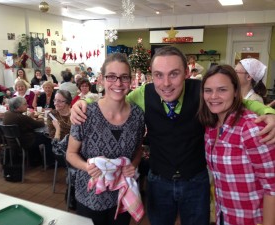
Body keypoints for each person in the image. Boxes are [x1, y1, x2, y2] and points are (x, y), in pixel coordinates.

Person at [71, 46, 275, 225]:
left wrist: (269, 112)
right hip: (159, 181)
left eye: (174, 74)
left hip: (196, 181)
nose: (166, 83)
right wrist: (83, 104)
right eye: (159, 75)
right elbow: (115, 98)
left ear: (187, 72)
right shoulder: (144, 93)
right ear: (151, 74)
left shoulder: (202, 91)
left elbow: (240, 101)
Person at [66, 53, 145, 225]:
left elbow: (138, 150)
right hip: (90, 197)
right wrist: (86, 166)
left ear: (131, 81)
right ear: (101, 79)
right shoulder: (85, 113)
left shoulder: (138, 115)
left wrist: (133, 165)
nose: (118, 83)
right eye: (111, 77)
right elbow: (71, 153)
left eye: (124, 77)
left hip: (121, 196)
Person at [198, 64, 275, 225]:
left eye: (222, 90)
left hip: (251, 219)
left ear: (235, 92)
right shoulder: (211, 127)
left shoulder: (251, 128)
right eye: (208, 90)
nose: (213, 96)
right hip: (224, 216)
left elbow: (272, 187)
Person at [3, 97, 50, 166]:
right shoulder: (21, 117)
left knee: (38, 134)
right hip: (25, 141)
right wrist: (41, 118)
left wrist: (30, 118)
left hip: (13, 141)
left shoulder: (7, 113)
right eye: (25, 104)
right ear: (18, 107)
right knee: (48, 137)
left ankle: (36, 159)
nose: (27, 105)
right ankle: (50, 161)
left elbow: (27, 122)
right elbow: (39, 124)